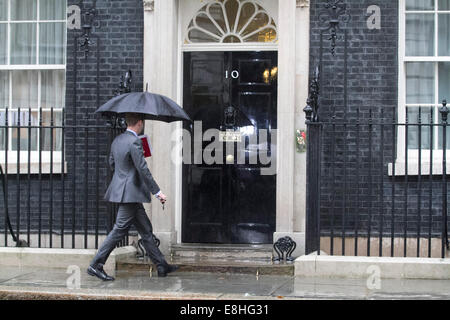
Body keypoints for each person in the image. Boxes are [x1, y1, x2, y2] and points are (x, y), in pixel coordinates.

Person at [87, 113, 178, 281]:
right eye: (142, 123)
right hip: (130, 194)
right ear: (140, 123)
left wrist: (125, 177)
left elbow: (112, 164)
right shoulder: (135, 141)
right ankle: (96, 264)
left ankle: (161, 265)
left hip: (127, 192)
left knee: (146, 230)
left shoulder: (118, 140)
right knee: (119, 230)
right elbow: (143, 169)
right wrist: (158, 192)